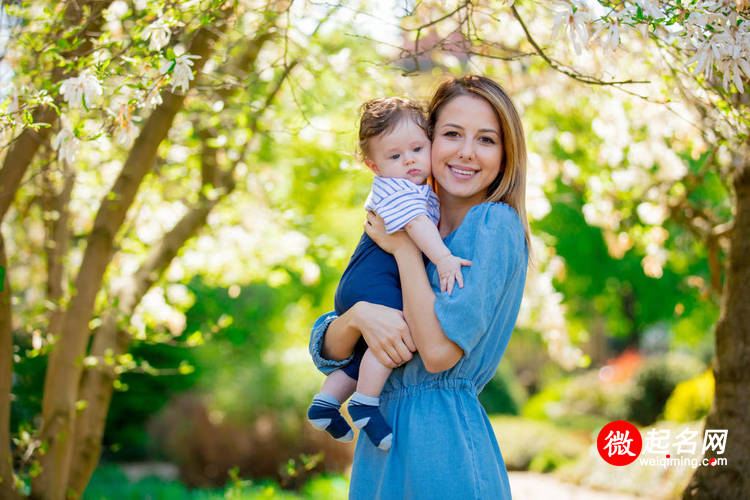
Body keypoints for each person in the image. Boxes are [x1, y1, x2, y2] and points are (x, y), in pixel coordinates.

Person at [308, 74, 531, 499]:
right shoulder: (404, 212)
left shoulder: (492, 225)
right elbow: (333, 351)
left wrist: (406, 251)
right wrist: (358, 317)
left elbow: (437, 354)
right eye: (451, 134)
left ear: (505, 155)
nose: (466, 152)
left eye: (486, 140)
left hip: (442, 446)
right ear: (429, 141)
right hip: (382, 442)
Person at [307, 97, 472, 451]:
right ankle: (366, 402)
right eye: (395, 156)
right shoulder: (397, 190)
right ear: (374, 165)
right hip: (373, 276)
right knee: (400, 329)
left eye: (417, 148)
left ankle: (326, 401)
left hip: (366, 279)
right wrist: (443, 258)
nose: (409, 160)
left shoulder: (413, 186)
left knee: (373, 343)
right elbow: (414, 224)